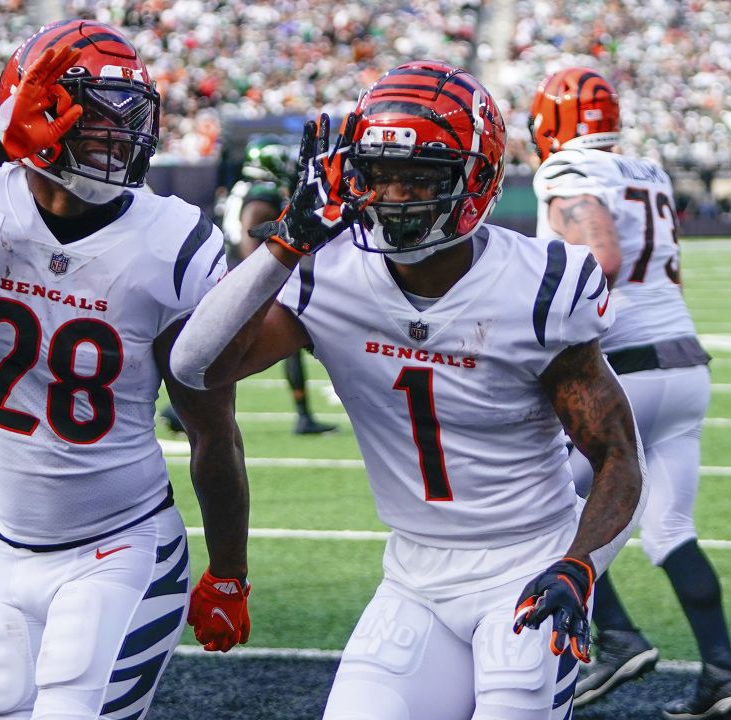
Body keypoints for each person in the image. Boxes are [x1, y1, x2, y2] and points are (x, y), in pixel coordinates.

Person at [171, 61, 646, 720]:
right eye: (380, 172)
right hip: (413, 575)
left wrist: (579, 565)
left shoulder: (539, 287)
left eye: (419, 176)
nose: (393, 195)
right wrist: (287, 242)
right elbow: (195, 366)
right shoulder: (331, 273)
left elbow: (619, 456)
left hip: (526, 562)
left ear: (475, 178)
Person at [0, 20, 252, 720]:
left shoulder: (176, 242)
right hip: (9, 550)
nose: (113, 139)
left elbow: (213, 431)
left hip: (124, 545)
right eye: (91, 120)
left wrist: (229, 574)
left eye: (124, 121)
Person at [528, 67, 731, 720]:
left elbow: (598, 259)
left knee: (543, 501)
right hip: (685, 365)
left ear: (551, 121)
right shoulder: (646, 170)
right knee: (671, 528)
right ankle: (723, 673)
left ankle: (617, 636)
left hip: (622, 367)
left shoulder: (568, 174)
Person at [219, 135, 336, 435]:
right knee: (286, 340)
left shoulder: (242, 188)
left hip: (231, 273)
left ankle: (304, 415)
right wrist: (265, 274)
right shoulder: (262, 193)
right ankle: (304, 416)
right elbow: (250, 237)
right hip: (244, 278)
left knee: (233, 348)